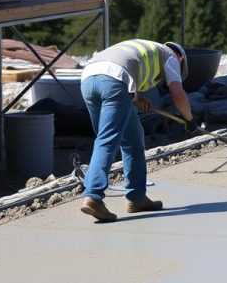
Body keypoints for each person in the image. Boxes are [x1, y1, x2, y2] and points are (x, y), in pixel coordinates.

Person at [80, 39, 195, 222]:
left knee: (133, 139)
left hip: (89, 79)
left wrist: (137, 97)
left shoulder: (143, 48)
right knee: (108, 140)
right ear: (180, 58)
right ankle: (93, 196)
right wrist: (189, 119)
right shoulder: (171, 56)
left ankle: (137, 197)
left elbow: (123, 68)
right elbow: (177, 92)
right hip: (114, 80)